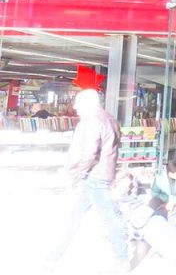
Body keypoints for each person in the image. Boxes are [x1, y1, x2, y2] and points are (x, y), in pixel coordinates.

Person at [49, 89, 130, 272]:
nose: (75, 106)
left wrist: (72, 173)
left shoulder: (91, 121)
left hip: (94, 177)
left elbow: (88, 154)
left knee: (107, 218)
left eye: (78, 102)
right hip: (101, 175)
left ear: (88, 103)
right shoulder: (110, 119)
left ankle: (122, 259)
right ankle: (55, 254)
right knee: (77, 216)